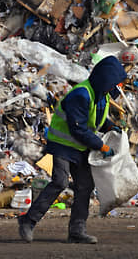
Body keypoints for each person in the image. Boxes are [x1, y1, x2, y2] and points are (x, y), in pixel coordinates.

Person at [18, 56, 127, 244]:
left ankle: (77, 231)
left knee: (85, 186)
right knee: (59, 182)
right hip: (62, 144)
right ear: (105, 80)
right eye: (114, 84)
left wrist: (109, 127)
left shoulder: (101, 95)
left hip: (80, 146)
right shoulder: (81, 94)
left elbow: (94, 118)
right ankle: (28, 221)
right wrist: (101, 146)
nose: (116, 88)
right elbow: (78, 127)